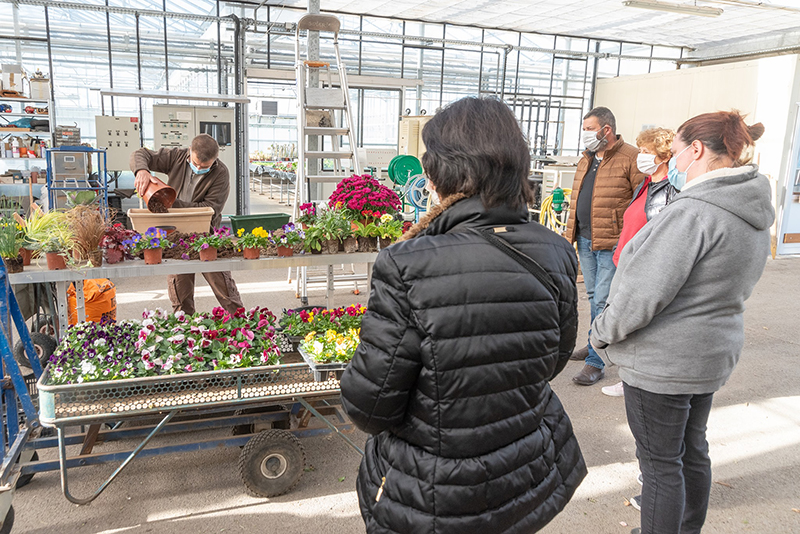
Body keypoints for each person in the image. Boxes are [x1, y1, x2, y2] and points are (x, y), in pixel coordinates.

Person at [340, 97, 586, 533]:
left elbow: (370, 405)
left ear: (440, 174)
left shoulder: (408, 263)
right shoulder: (555, 249)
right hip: (524, 472)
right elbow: (552, 361)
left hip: (435, 490)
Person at [590, 111, 771, 534]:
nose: (670, 162)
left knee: (659, 466)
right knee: (692, 451)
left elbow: (641, 295)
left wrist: (601, 333)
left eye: (673, 153)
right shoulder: (751, 207)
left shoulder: (692, 213)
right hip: (709, 354)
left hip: (664, 364)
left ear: (696, 150)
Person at [565, 107, 646, 386]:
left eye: (589, 129)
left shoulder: (631, 158)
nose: (586, 134)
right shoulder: (587, 158)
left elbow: (642, 200)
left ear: (606, 130)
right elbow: (577, 197)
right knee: (591, 295)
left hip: (612, 241)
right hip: (586, 237)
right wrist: (570, 233)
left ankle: (596, 362)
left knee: (603, 300)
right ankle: (593, 343)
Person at [602, 127, 678, 398]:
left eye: (647, 152)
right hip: (624, 259)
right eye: (641, 151)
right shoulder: (646, 184)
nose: (641, 157)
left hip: (640, 265)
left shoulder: (670, 189)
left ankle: (632, 379)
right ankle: (628, 376)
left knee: (636, 324)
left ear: (664, 156)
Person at [130, 134, 244, 315]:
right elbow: (140, 154)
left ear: (215, 160)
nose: (198, 168)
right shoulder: (176, 157)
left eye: (204, 167)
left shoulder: (221, 173)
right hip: (175, 234)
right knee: (180, 295)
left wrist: (170, 202)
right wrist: (141, 170)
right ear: (190, 151)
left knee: (224, 289)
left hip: (205, 236)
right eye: (196, 163)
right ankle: (184, 334)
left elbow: (209, 207)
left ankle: (242, 327)